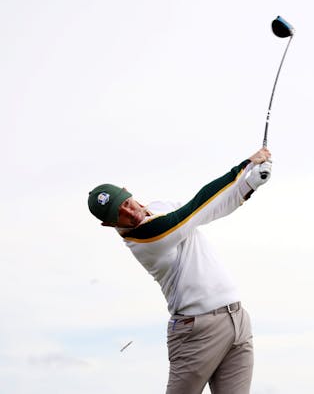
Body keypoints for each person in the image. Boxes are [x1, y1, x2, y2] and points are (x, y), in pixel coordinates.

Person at [87, 147, 272, 394]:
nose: (131, 213)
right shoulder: (146, 239)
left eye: (127, 203)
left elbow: (211, 209)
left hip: (237, 319)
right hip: (196, 331)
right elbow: (197, 208)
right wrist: (244, 166)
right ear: (108, 224)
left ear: (128, 193)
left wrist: (248, 185)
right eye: (120, 215)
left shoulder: (161, 206)